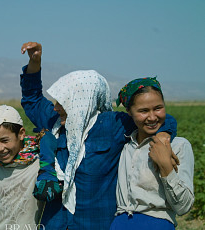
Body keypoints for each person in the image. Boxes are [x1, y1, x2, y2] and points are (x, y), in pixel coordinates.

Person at [20, 41, 178, 229]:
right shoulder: (54, 120)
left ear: (82, 102)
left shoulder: (112, 125)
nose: (55, 107)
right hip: (56, 223)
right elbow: (32, 99)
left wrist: (163, 135)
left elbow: (156, 120)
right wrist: (35, 63)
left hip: (97, 223)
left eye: (64, 102)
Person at [110, 77, 194, 229]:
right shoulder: (125, 146)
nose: (152, 117)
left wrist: (166, 168)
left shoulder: (178, 146)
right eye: (143, 111)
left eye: (158, 108)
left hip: (156, 224)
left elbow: (184, 207)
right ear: (129, 112)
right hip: (120, 224)